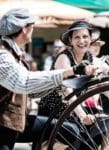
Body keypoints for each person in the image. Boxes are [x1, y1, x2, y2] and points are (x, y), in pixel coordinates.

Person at [0, 8, 96, 150]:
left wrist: (61, 80)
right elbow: (23, 82)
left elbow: (31, 93)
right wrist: (67, 72)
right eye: (32, 26)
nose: (33, 29)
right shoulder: (3, 55)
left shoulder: (15, 53)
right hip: (3, 125)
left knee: (68, 130)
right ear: (25, 29)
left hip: (15, 122)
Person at [38, 20, 109, 149]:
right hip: (55, 113)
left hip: (73, 113)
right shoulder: (64, 58)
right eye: (77, 37)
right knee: (76, 136)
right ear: (70, 40)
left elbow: (100, 81)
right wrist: (82, 115)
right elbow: (67, 91)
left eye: (85, 37)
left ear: (90, 39)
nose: (81, 41)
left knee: (108, 125)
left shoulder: (89, 57)